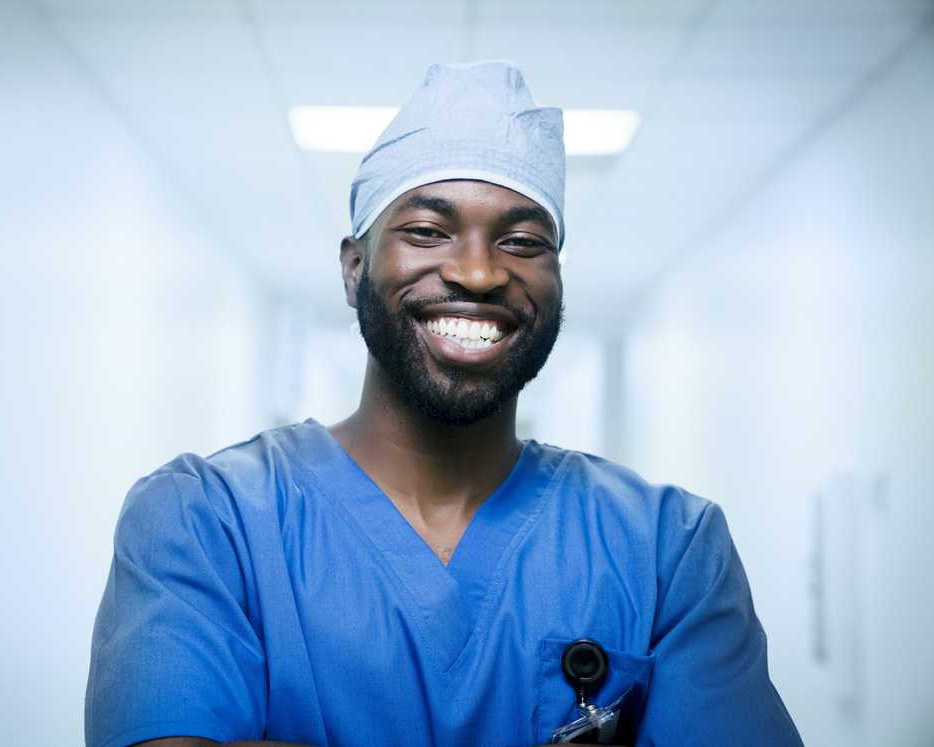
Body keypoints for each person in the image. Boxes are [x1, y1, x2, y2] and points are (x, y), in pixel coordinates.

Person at [84, 61, 802, 747]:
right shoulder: (205, 519)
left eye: (522, 240)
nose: (478, 271)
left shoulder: (667, 546)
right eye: (427, 230)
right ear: (354, 266)